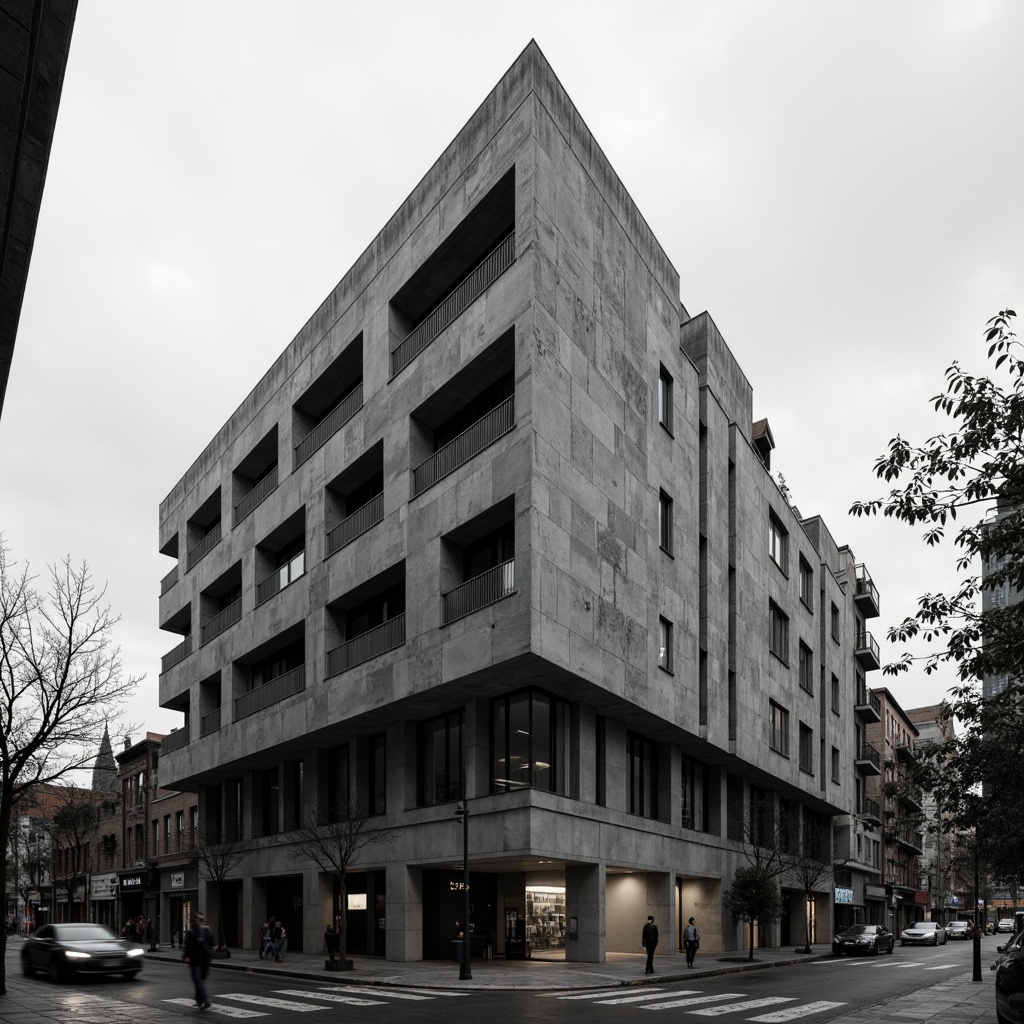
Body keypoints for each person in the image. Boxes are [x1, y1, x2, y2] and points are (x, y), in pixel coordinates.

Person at [182, 912, 214, 1010]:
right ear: (195, 920)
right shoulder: (192, 931)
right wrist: (186, 956)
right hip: (195, 960)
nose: (200, 922)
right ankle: (205, 1000)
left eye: (201, 920)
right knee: (198, 981)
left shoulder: (207, 931)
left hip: (205, 960)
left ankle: (198, 998)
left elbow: (212, 943)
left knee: (200, 981)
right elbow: (188, 945)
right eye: (198, 919)